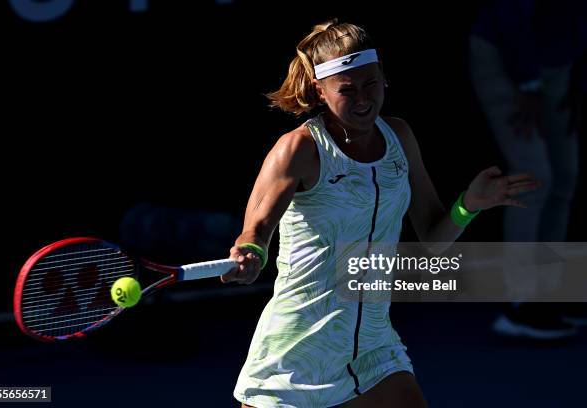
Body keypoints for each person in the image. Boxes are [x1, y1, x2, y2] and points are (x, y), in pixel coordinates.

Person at [221, 19, 539, 408]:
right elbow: (256, 228)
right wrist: (251, 253)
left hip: (373, 348)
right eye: (346, 90)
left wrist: (468, 205)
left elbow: (433, 236)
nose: (362, 99)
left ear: (383, 77)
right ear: (320, 91)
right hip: (297, 351)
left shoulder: (399, 137)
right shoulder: (299, 149)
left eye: (370, 83)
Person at [470, 0, 587, 339]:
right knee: (535, 177)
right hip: (508, 57)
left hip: (559, 65)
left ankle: (548, 294)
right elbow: (511, 14)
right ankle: (519, 302)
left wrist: (576, 82)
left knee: (565, 178)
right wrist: (528, 85)